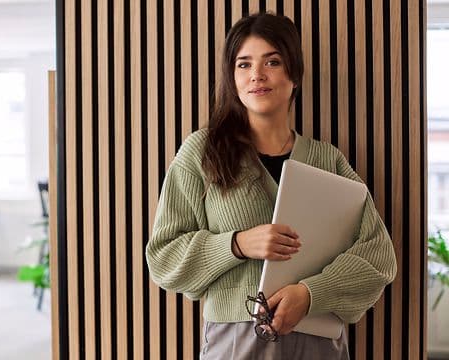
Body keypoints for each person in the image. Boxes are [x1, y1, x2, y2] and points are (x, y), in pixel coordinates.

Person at [145, 12, 397, 360]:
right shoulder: (202, 153)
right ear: (231, 78)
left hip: (319, 340)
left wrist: (311, 294)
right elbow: (163, 257)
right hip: (237, 340)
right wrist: (236, 244)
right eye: (243, 65)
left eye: (272, 62)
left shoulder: (328, 160)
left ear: (294, 74)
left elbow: (379, 256)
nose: (257, 76)